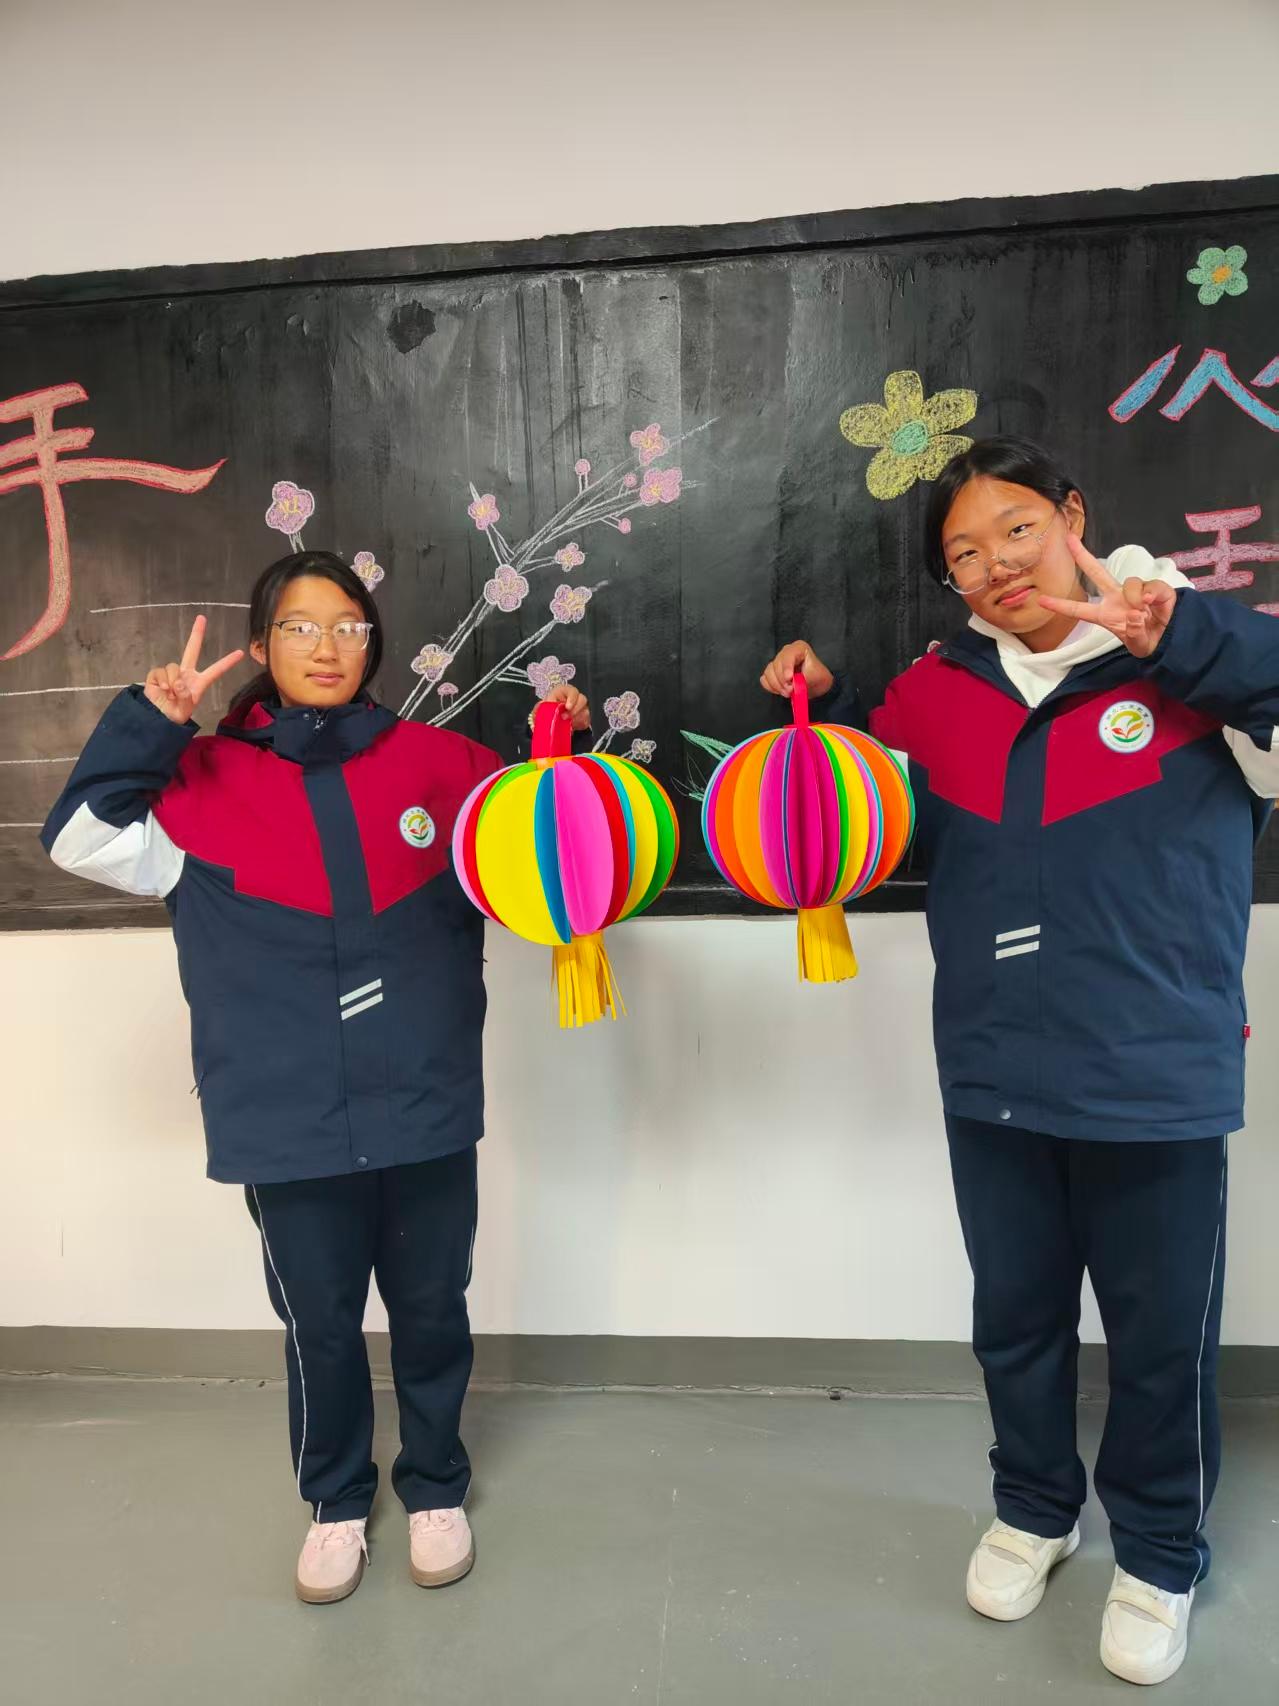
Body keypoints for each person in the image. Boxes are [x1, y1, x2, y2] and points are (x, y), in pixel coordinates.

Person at [761, 437, 1279, 1687]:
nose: (994, 564)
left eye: (1015, 529)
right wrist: (817, 704)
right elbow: (860, 802)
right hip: (995, 1074)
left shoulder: (1194, 664)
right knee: (1015, 1318)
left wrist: (1177, 633)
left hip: (1153, 1079)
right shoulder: (935, 692)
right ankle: (1035, 1506)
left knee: (1159, 1340)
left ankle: (1158, 1551)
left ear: (1071, 515)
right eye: (962, 553)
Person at [42, 550, 590, 1605]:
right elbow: (74, 837)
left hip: (423, 1097)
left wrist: (559, 744)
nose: (326, 646)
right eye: (299, 626)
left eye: (347, 625)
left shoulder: (443, 764)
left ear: (372, 642)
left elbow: (548, 852)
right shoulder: (194, 781)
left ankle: (434, 1485)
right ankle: (337, 1501)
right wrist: (151, 726)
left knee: (431, 1306)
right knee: (321, 1322)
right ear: (261, 645)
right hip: (284, 1112)